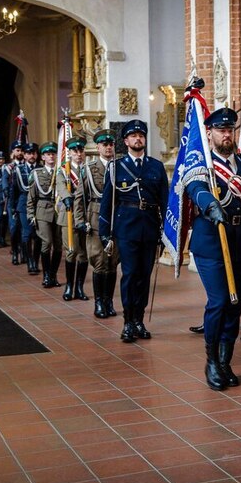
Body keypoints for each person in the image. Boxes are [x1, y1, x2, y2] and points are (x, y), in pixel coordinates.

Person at [185, 107, 241, 390]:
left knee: (234, 304)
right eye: (221, 130)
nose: (227, 134)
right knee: (219, 300)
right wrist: (209, 205)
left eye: (231, 129)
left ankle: (225, 359)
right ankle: (211, 362)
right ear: (210, 133)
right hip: (212, 243)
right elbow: (196, 188)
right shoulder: (201, 165)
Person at [99, 120, 168, 342]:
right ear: (126, 141)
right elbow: (108, 203)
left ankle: (139, 320)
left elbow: (165, 202)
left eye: (141, 135)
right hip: (126, 228)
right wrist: (105, 233)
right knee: (129, 275)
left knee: (144, 276)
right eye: (133, 136)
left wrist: (166, 232)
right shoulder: (116, 167)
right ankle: (128, 322)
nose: (138, 139)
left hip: (149, 228)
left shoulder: (156, 167)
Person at [75, 129, 120, 318]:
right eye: (104, 144)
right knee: (100, 262)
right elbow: (80, 198)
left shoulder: (121, 167)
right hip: (95, 219)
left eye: (111, 144)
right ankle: (99, 303)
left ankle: (109, 301)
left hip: (116, 219)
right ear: (98, 147)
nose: (108, 147)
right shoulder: (89, 169)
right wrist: (80, 220)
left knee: (112, 263)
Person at [56, 137, 89, 302]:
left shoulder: (89, 169)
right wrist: (67, 196)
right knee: (71, 252)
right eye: (75, 151)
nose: (78, 154)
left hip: (85, 216)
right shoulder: (63, 170)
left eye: (81, 150)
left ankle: (79, 287)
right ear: (69, 153)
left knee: (84, 254)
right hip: (68, 216)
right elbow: (60, 186)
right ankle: (69, 286)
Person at [27, 142, 63, 288]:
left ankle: (53, 275)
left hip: (59, 211)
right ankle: (46, 275)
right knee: (46, 243)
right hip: (42, 211)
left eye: (53, 154)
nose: (51, 156)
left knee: (59, 246)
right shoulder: (36, 174)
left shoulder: (62, 172)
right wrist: (30, 214)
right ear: (42, 157)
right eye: (48, 154)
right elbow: (31, 197)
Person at [12, 143, 41, 275]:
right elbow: (14, 190)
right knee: (27, 233)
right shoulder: (18, 169)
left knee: (39, 235)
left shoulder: (41, 168)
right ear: (24, 154)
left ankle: (35, 259)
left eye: (34, 153)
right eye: (29, 153)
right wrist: (13, 207)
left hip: (39, 204)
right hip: (23, 204)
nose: (31, 155)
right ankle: (30, 262)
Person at [4, 141, 25, 265]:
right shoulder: (8, 167)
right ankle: (15, 252)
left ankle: (24, 252)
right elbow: (5, 183)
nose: (20, 152)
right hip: (13, 201)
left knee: (24, 230)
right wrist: (7, 192)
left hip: (23, 201)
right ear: (12, 152)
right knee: (13, 229)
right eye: (17, 150)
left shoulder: (26, 167)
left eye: (21, 150)